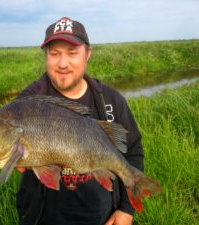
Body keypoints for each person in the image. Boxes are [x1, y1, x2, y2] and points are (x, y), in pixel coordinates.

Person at [16, 17, 144, 225]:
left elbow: (133, 151)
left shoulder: (112, 101)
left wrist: (126, 211)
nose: (63, 63)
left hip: (102, 218)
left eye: (72, 53)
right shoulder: (27, 102)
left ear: (88, 54)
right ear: (46, 56)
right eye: (55, 54)